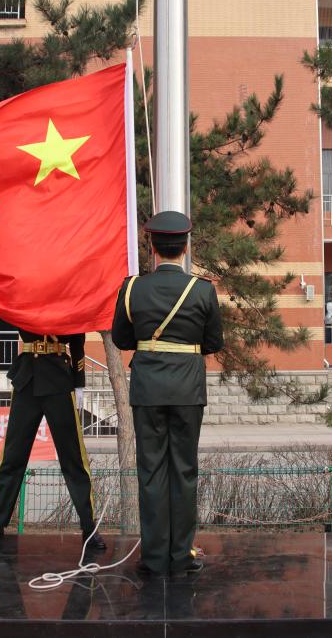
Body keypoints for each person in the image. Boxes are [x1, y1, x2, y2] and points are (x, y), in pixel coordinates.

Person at [111, 210, 224, 577]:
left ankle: (155, 557)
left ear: (152, 247)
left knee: (151, 471)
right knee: (184, 470)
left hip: (147, 389)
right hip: (188, 388)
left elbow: (122, 339)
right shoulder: (202, 290)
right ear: (185, 246)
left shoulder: (132, 288)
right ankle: (181, 556)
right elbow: (213, 343)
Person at [0, 329, 105, 550]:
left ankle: (89, 527)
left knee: (74, 459)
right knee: (12, 458)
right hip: (27, 379)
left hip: (59, 380)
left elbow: (77, 337)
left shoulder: (67, 307)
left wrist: (79, 381)